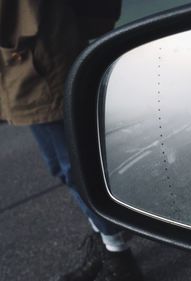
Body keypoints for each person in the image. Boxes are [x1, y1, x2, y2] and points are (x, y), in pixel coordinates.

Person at [0, 1, 142, 281]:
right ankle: (110, 239)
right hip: (29, 64)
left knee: (74, 170)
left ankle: (118, 253)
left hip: (39, 64)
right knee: (66, 167)